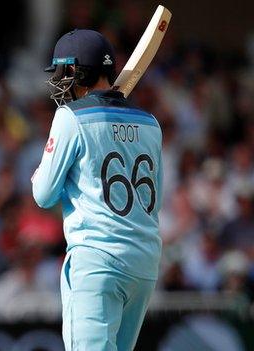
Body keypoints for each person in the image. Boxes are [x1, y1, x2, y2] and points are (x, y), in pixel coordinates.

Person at [31, 30, 163, 351]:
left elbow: (43, 194)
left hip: (97, 260)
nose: (59, 83)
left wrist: (39, 173)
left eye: (62, 73)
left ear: (74, 72)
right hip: (143, 264)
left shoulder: (70, 117)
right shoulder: (150, 123)